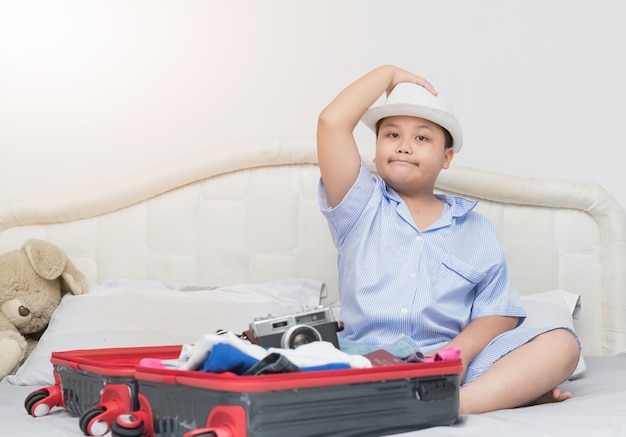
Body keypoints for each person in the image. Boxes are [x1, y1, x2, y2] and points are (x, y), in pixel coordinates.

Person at [316, 64, 581, 415]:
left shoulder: (476, 229)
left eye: (421, 138)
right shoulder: (360, 205)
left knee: (562, 343)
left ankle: (457, 402)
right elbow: (331, 124)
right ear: (377, 147)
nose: (404, 147)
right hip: (368, 359)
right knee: (312, 362)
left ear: (447, 158)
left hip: (451, 363)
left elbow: (496, 311)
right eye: (391, 135)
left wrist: (457, 357)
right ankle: (482, 397)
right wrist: (388, 74)